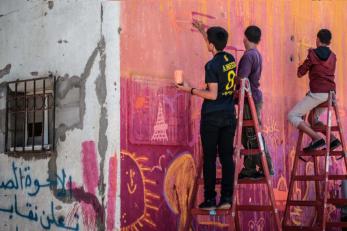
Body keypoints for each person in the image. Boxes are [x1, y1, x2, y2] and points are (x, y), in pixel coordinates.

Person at [176, 21, 237, 210]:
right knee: (227, 157)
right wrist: (204, 32)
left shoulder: (211, 65)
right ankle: (226, 198)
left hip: (212, 117)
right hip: (229, 115)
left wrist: (190, 89)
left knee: (210, 158)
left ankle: (210, 198)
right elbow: (214, 45)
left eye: (207, 42)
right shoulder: (230, 59)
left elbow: (212, 94)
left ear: (210, 45)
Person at [288, 29, 341, 151]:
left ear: (317, 39)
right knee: (312, 119)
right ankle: (333, 140)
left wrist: (303, 60)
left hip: (317, 93)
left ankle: (317, 138)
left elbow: (300, 73)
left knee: (292, 115)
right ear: (329, 42)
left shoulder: (312, 54)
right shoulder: (333, 56)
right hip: (330, 94)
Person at [237, 25, 274, 179]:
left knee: (251, 134)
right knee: (251, 133)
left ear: (245, 38)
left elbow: (242, 79)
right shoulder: (257, 54)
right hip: (255, 97)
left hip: (249, 99)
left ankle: (266, 168)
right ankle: (250, 168)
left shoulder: (248, 56)